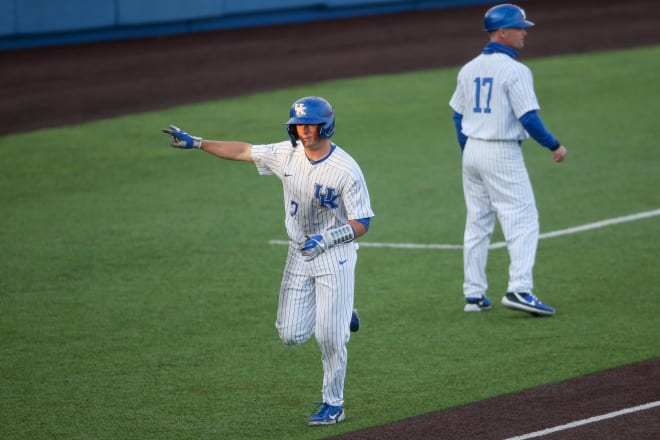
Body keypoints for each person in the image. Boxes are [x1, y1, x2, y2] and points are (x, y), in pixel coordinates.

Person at [162, 96, 374, 425]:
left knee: (329, 337)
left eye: (311, 124)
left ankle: (333, 403)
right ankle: (345, 313)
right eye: (299, 125)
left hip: (335, 254)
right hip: (298, 252)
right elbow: (244, 151)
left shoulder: (346, 169)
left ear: (326, 125)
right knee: (290, 334)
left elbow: (363, 221)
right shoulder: (285, 154)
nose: (304, 131)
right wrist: (198, 143)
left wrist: (328, 237)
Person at [448, 4, 567, 317]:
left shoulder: (469, 68)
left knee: (477, 222)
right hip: (501, 151)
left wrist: (470, 152)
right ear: (502, 31)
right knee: (523, 218)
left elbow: (457, 115)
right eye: (520, 27)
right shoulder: (515, 71)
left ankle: (474, 295)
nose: (525, 32)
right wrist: (554, 145)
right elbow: (528, 116)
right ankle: (520, 289)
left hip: (472, 150)